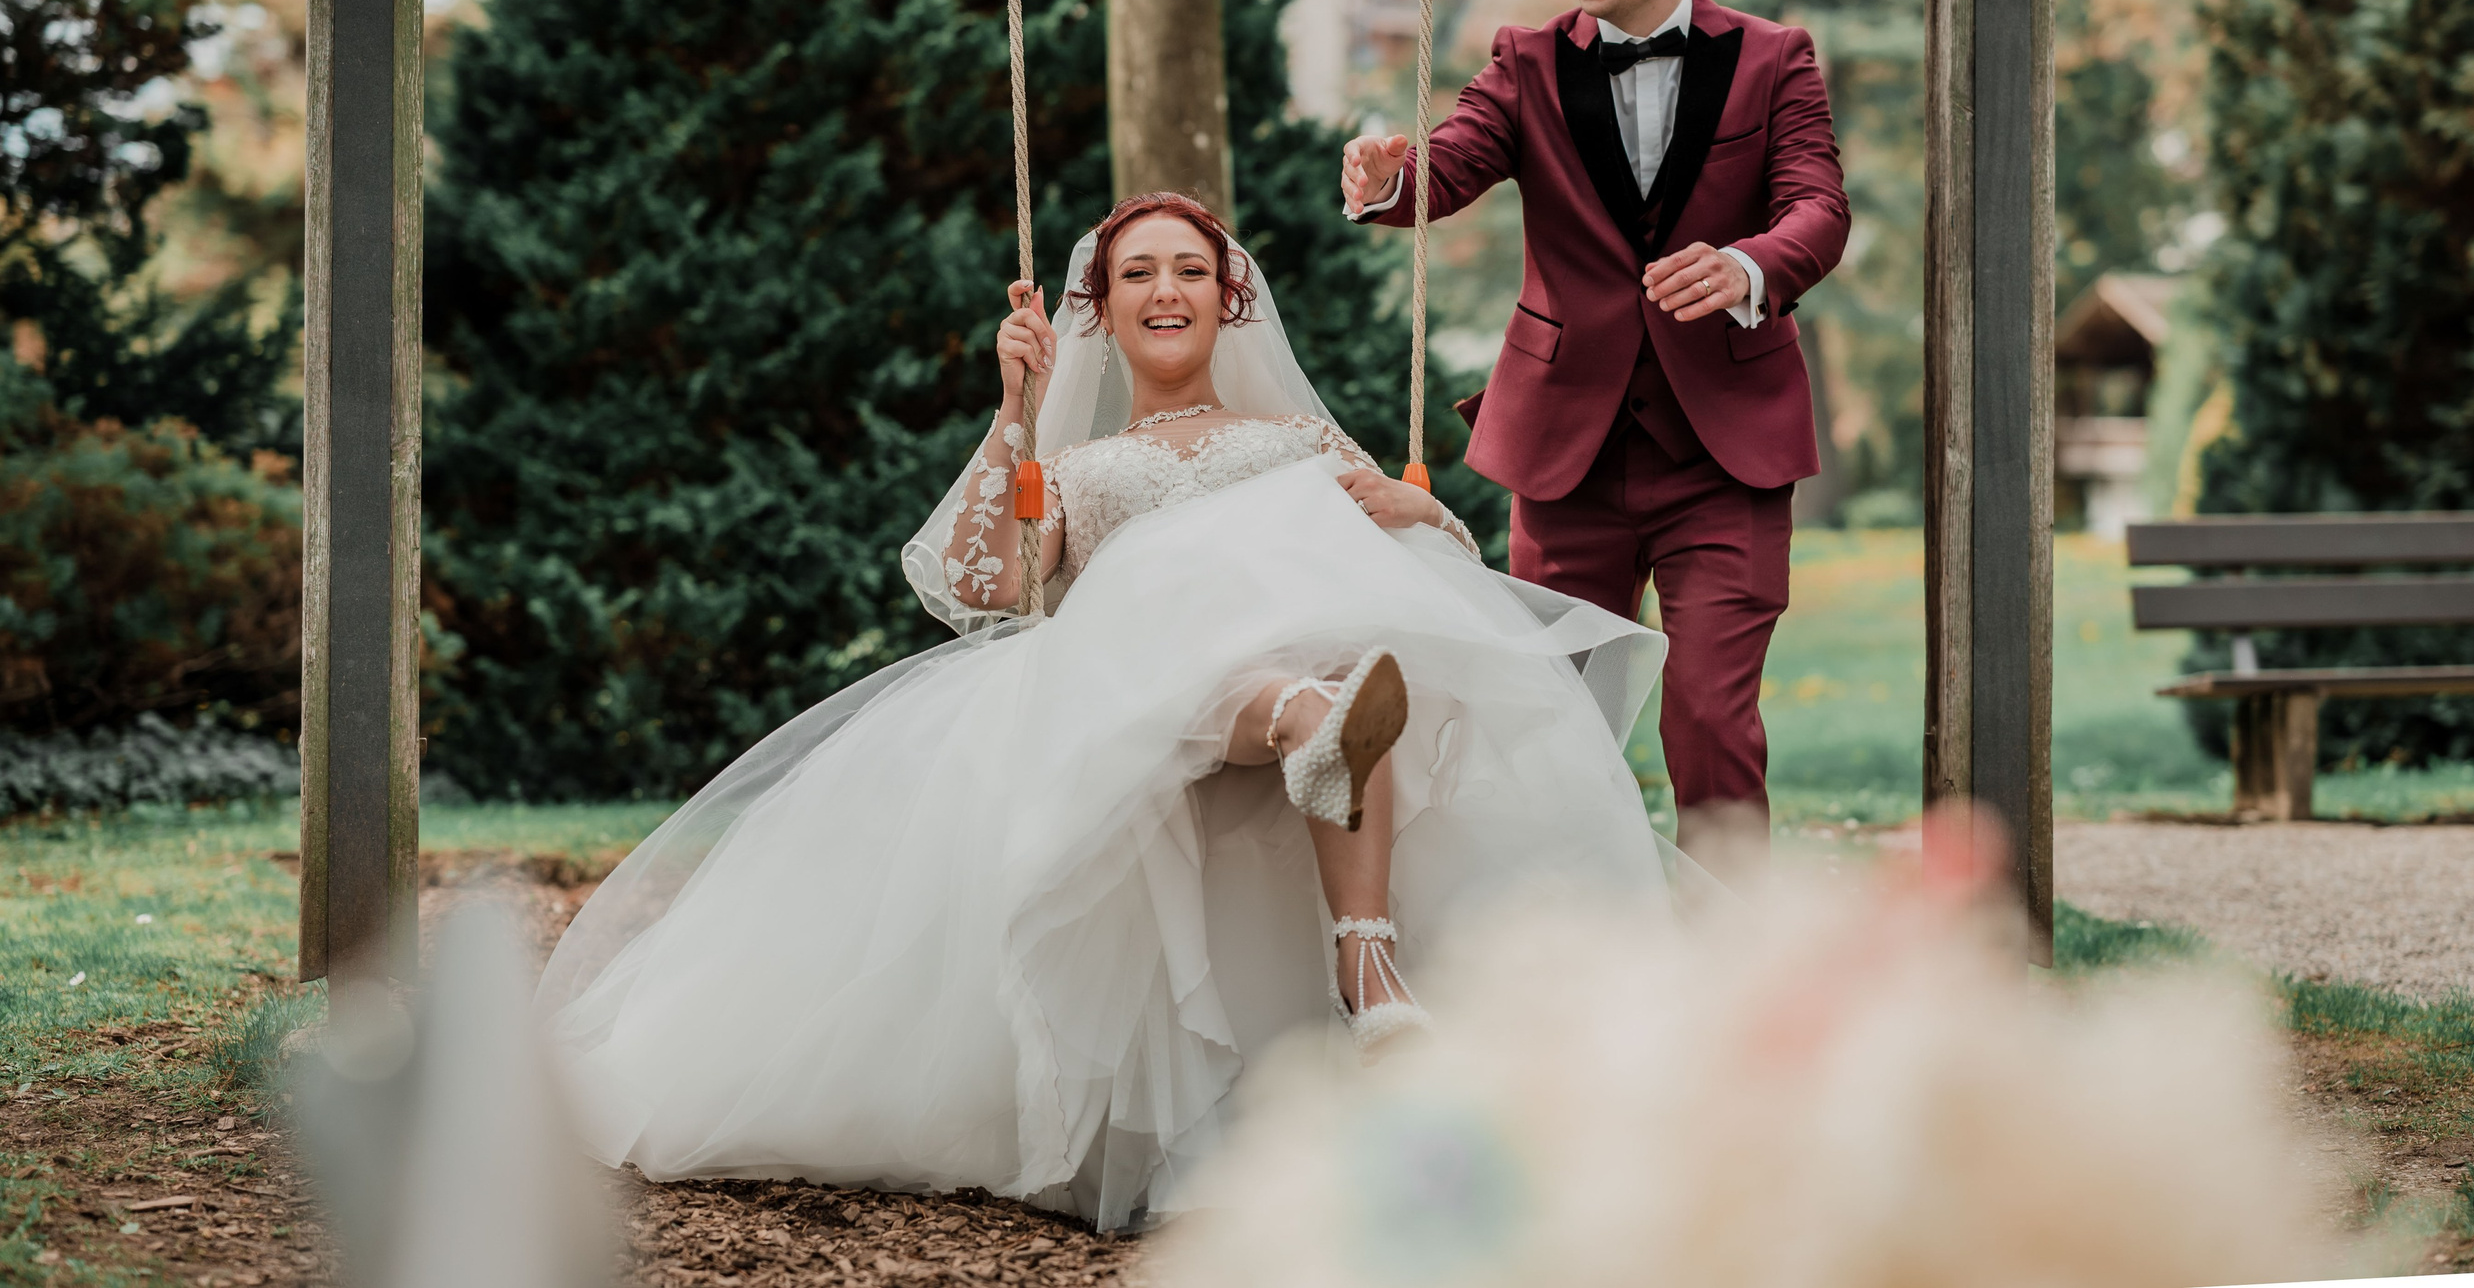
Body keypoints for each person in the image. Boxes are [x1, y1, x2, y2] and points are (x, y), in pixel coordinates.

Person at [536, 192, 1679, 1232]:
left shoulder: (1301, 442)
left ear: (1228, 300)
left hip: (1315, 647)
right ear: (1102, 309)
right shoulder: (1077, 469)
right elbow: (985, 586)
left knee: (1337, 637)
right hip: (1148, 685)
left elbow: (1436, 568)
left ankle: (1352, 896)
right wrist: (1014, 407)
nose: (1166, 289)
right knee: (1179, 611)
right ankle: (1313, 752)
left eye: (1190, 270)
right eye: (1138, 273)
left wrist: (1410, 506)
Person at [1341, 0, 1851, 856]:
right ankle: (1573, 933)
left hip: (1726, 453)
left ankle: (1732, 933)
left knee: (1710, 717)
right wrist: (1386, 180)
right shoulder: (1525, 61)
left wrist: (1749, 264)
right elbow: (1444, 170)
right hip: (1566, 450)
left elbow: (1818, 207)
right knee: (1558, 722)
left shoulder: (1774, 57)